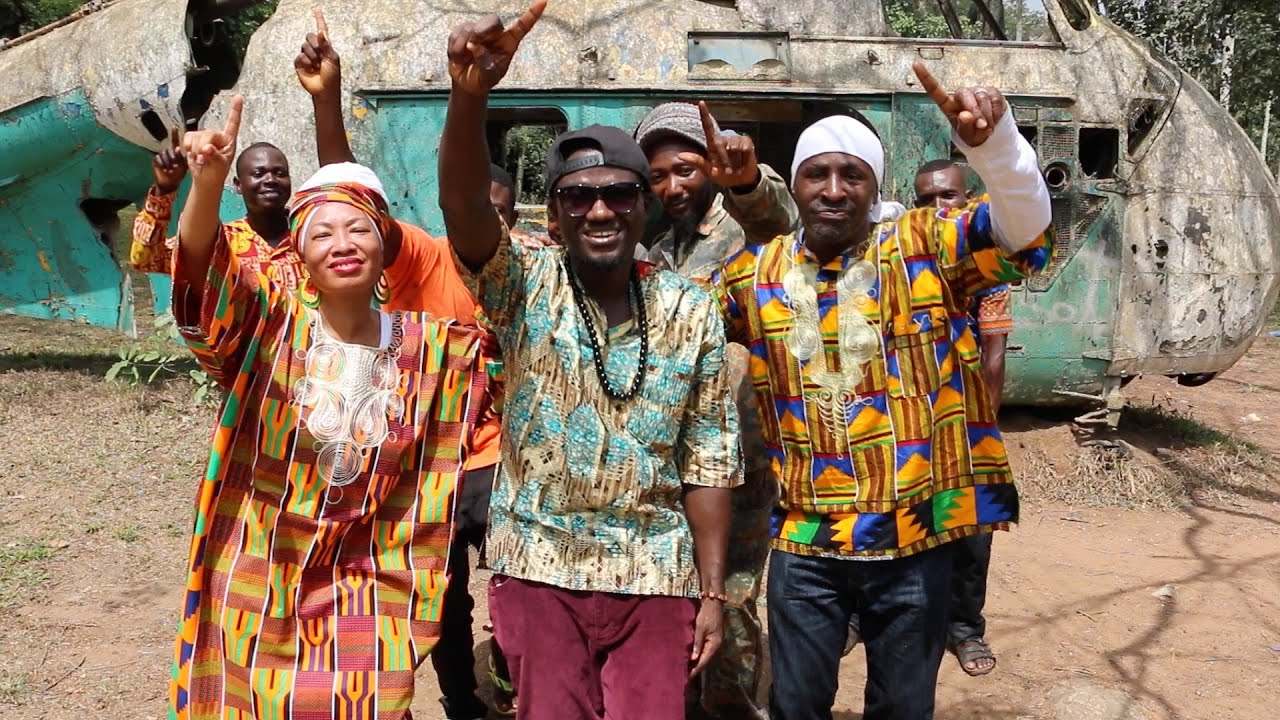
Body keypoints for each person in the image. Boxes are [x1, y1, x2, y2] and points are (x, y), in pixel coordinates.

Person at [713, 63, 1052, 720]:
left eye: (853, 175)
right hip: (805, 542)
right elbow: (672, 327)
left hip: (913, 540)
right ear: (796, 184)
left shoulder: (923, 246)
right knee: (795, 705)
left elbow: (1024, 236)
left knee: (903, 706)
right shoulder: (755, 273)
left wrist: (999, 151)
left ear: (874, 188)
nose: (834, 190)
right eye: (817, 174)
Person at [440, 4, 741, 719]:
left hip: (655, 574)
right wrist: (469, 95)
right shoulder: (521, 285)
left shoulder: (691, 308)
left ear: (644, 207)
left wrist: (711, 591)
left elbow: (708, 460)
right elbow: (463, 206)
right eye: (577, 196)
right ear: (554, 213)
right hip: (538, 568)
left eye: (618, 193)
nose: (599, 210)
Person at [167, 96, 488, 720]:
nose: (342, 244)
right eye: (322, 232)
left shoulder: (430, 348)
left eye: (359, 228)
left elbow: (510, 338)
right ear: (299, 252)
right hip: (264, 566)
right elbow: (201, 276)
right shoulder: (269, 329)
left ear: (384, 243)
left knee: (366, 703)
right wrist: (205, 187)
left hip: (371, 573)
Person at [294, 13, 517, 718]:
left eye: (501, 215)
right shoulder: (423, 255)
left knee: (518, 590)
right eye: (476, 211)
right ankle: (462, 701)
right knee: (439, 593)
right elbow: (350, 203)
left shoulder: (524, 272)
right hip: (427, 462)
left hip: (502, 458)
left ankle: (515, 683)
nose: (488, 225)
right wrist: (327, 102)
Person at [633, 100, 794, 720]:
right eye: (657, 176)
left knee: (734, 592)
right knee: (682, 591)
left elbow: (779, 221)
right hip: (675, 455)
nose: (672, 187)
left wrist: (746, 183)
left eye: (685, 169)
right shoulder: (659, 249)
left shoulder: (744, 231)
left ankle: (732, 707)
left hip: (741, 455)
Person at [844, 158, 1016, 677]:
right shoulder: (896, 261)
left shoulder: (984, 268)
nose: (937, 207)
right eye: (925, 199)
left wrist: (978, 431)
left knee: (971, 530)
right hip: (900, 422)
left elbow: (993, 353)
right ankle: (861, 616)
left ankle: (963, 628)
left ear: (968, 200)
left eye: (947, 196)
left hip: (960, 422)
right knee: (881, 518)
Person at [131, 127, 302, 288]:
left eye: (279, 173)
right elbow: (145, 258)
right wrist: (163, 190)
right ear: (238, 185)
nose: (270, 180)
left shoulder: (309, 234)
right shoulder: (219, 244)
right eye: (258, 174)